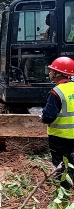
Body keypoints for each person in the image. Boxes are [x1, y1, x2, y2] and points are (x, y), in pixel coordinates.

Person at [40, 56, 74, 189]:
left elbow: (48, 116)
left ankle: (64, 190)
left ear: (58, 74)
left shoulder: (56, 93)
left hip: (60, 135)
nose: (50, 73)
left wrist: (42, 117)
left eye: (52, 70)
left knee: (60, 163)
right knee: (71, 159)